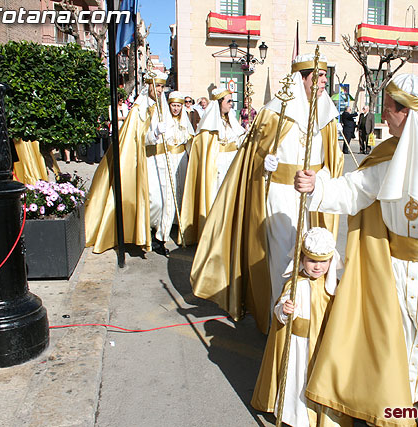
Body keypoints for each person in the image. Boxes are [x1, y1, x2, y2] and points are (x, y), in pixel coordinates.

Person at [294, 73, 418, 426]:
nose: (383, 115)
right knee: (395, 342)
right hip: (391, 268)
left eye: (389, 109)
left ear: (410, 113)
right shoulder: (388, 153)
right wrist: (317, 188)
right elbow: (356, 190)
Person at [188, 53, 343, 335]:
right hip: (281, 194)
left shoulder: (327, 115)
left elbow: (334, 160)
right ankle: (279, 319)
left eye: (324, 76)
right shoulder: (275, 112)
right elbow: (253, 154)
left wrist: (321, 179)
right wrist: (265, 162)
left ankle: (312, 317)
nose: (324, 81)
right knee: (284, 256)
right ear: (302, 78)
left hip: (313, 196)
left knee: (315, 254)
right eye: (318, 76)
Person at [251, 227, 351, 427]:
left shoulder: (333, 287)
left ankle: (322, 416)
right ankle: (296, 416)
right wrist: (284, 310)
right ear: (302, 259)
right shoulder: (294, 284)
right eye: (312, 261)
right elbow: (280, 309)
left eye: (323, 261)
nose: (318, 267)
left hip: (322, 345)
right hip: (299, 345)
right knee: (297, 380)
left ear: (331, 261)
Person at [84, 70, 171, 254]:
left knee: (163, 201)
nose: (160, 90)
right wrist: (154, 133)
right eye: (157, 86)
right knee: (152, 201)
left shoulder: (161, 107)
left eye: (162, 87)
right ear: (149, 86)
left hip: (160, 159)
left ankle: (157, 236)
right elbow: (137, 138)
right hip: (145, 160)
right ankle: (146, 235)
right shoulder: (139, 109)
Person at [179, 87, 246, 245]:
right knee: (216, 198)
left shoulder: (231, 122)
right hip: (217, 167)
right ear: (219, 103)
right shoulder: (208, 128)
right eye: (228, 101)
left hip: (232, 164)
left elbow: (238, 140)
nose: (231, 104)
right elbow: (201, 149)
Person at [145, 90, 195, 254]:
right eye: (173, 105)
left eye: (178, 106)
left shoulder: (184, 122)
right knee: (167, 198)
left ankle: (180, 230)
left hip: (181, 161)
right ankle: (160, 236)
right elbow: (147, 140)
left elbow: (190, 143)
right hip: (166, 161)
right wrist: (156, 132)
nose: (176, 109)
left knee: (181, 195)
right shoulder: (161, 119)